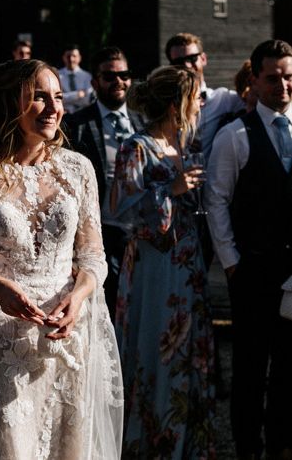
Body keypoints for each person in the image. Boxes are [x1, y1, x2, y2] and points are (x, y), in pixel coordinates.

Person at [0, 59, 123, 459]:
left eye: (59, 97)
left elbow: (93, 255)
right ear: (10, 105)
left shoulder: (77, 169)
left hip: (66, 336)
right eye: (39, 98)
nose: (53, 108)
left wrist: (78, 297)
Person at [111, 65, 215, 459]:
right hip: (155, 270)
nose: (198, 108)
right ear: (176, 105)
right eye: (193, 101)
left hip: (189, 267)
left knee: (191, 355)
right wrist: (171, 188)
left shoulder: (186, 147)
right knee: (157, 353)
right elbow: (123, 212)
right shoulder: (135, 147)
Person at [205, 39, 292, 459]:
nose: (283, 85)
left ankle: (278, 445)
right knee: (251, 370)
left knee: (288, 370)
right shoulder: (234, 136)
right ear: (254, 79)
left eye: (289, 76)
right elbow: (217, 200)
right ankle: (246, 448)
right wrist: (232, 264)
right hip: (253, 271)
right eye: (273, 77)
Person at [64, 46, 144, 317]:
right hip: (101, 231)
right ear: (95, 82)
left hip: (139, 231)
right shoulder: (76, 124)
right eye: (110, 77)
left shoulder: (142, 121)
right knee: (106, 306)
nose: (118, 81)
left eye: (124, 74)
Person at [165, 32, 244, 157]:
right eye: (179, 62)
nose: (187, 65)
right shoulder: (166, 104)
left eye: (192, 58)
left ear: (203, 59)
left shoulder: (223, 99)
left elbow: (257, 102)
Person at [58, 44, 93, 113]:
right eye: (68, 56)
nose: (71, 59)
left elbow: (87, 100)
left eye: (74, 56)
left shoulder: (87, 76)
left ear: (79, 58)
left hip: (84, 114)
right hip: (64, 115)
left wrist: (66, 98)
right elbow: (57, 98)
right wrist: (77, 94)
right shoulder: (57, 75)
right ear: (63, 58)